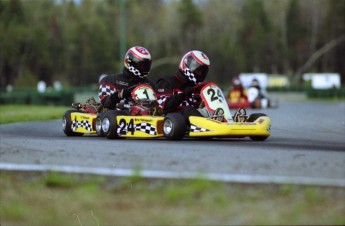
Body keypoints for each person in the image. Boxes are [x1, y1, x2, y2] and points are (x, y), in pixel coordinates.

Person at [155, 50, 210, 123]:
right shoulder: (166, 82)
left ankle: (223, 125)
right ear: (186, 63)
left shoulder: (198, 89)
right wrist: (182, 95)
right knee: (188, 110)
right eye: (198, 70)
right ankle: (209, 126)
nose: (200, 74)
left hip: (192, 125)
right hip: (170, 123)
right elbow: (163, 107)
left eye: (202, 72)